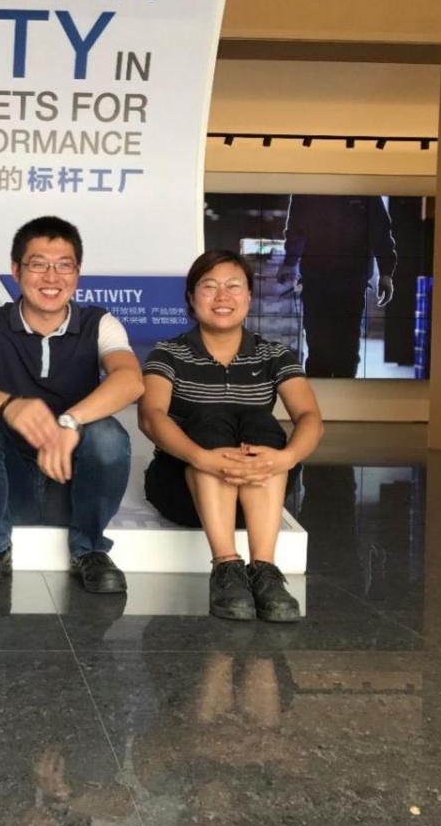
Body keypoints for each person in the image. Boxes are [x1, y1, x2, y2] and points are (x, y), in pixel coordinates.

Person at [0, 216, 144, 594]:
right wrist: (10, 406)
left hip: (71, 486)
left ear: (78, 272)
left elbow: (130, 380)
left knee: (106, 435)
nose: (51, 277)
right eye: (38, 264)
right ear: (16, 270)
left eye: (63, 265)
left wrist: (71, 422)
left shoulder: (100, 323)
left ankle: (89, 549)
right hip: (6, 488)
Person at [138, 250, 323, 622]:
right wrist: (201, 457)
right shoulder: (168, 352)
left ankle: (264, 570)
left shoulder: (274, 354)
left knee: (260, 425)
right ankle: (225, 566)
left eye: (233, 286)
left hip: (258, 488)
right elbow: (150, 417)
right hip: (185, 490)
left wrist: (285, 459)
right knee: (210, 418)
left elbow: (309, 417)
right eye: (209, 287)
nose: (222, 297)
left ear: (249, 297)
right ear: (191, 297)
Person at [279, 194, 398, 378]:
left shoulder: (363, 192)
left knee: (342, 350)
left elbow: (379, 231)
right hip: (324, 282)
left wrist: (386, 273)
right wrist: (385, 274)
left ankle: (339, 397)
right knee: (327, 351)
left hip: (344, 282)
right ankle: (321, 399)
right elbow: (380, 231)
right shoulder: (310, 190)